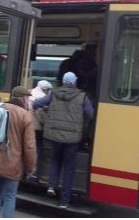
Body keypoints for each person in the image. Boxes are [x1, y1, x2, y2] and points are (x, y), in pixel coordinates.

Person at [33, 72, 94, 209]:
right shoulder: (82, 96)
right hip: (72, 138)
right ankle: (64, 201)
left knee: (56, 161)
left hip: (55, 136)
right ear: (74, 82)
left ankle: (51, 185)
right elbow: (91, 114)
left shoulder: (53, 93)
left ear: (63, 82)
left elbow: (37, 103)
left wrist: (46, 109)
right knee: (69, 168)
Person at [0, 86, 37, 218]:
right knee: (9, 196)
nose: (27, 101)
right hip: (13, 163)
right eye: (27, 98)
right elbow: (29, 146)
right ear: (24, 99)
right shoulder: (25, 115)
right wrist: (31, 168)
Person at [27, 80, 53, 180]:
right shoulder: (42, 96)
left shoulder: (30, 92)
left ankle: (25, 171)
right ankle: (33, 174)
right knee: (38, 149)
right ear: (45, 89)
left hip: (26, 125)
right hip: (37, 127)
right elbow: (41, 115)